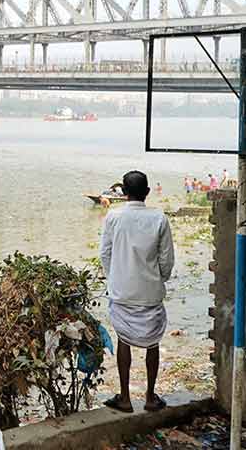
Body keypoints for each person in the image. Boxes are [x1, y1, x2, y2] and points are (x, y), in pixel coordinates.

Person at [100, 170, 175, 414]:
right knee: (153, 342)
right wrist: (158, 279)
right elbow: (166, 260)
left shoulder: (113, 216)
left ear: (123, 192)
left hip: (122, 292)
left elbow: (105, 254)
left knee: (124, 339)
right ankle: (150, 397)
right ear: (147, 192)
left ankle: (125, 398)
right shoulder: (159, 218)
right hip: (150, 292)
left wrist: (115, 279)